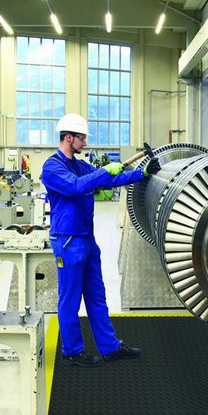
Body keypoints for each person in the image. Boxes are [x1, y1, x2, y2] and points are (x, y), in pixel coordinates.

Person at [41, 114, 161, 367]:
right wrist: (104, 171)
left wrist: (141, 174)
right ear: (68, 137)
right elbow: (75, 187)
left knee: (97, 295)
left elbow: (108, 179)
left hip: (86, 238)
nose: (85, 142)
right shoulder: (52, 167)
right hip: (67, 241)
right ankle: (72, 351)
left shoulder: (81, 165)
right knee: (70, 298)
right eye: (82, 138)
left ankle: (109, 347)